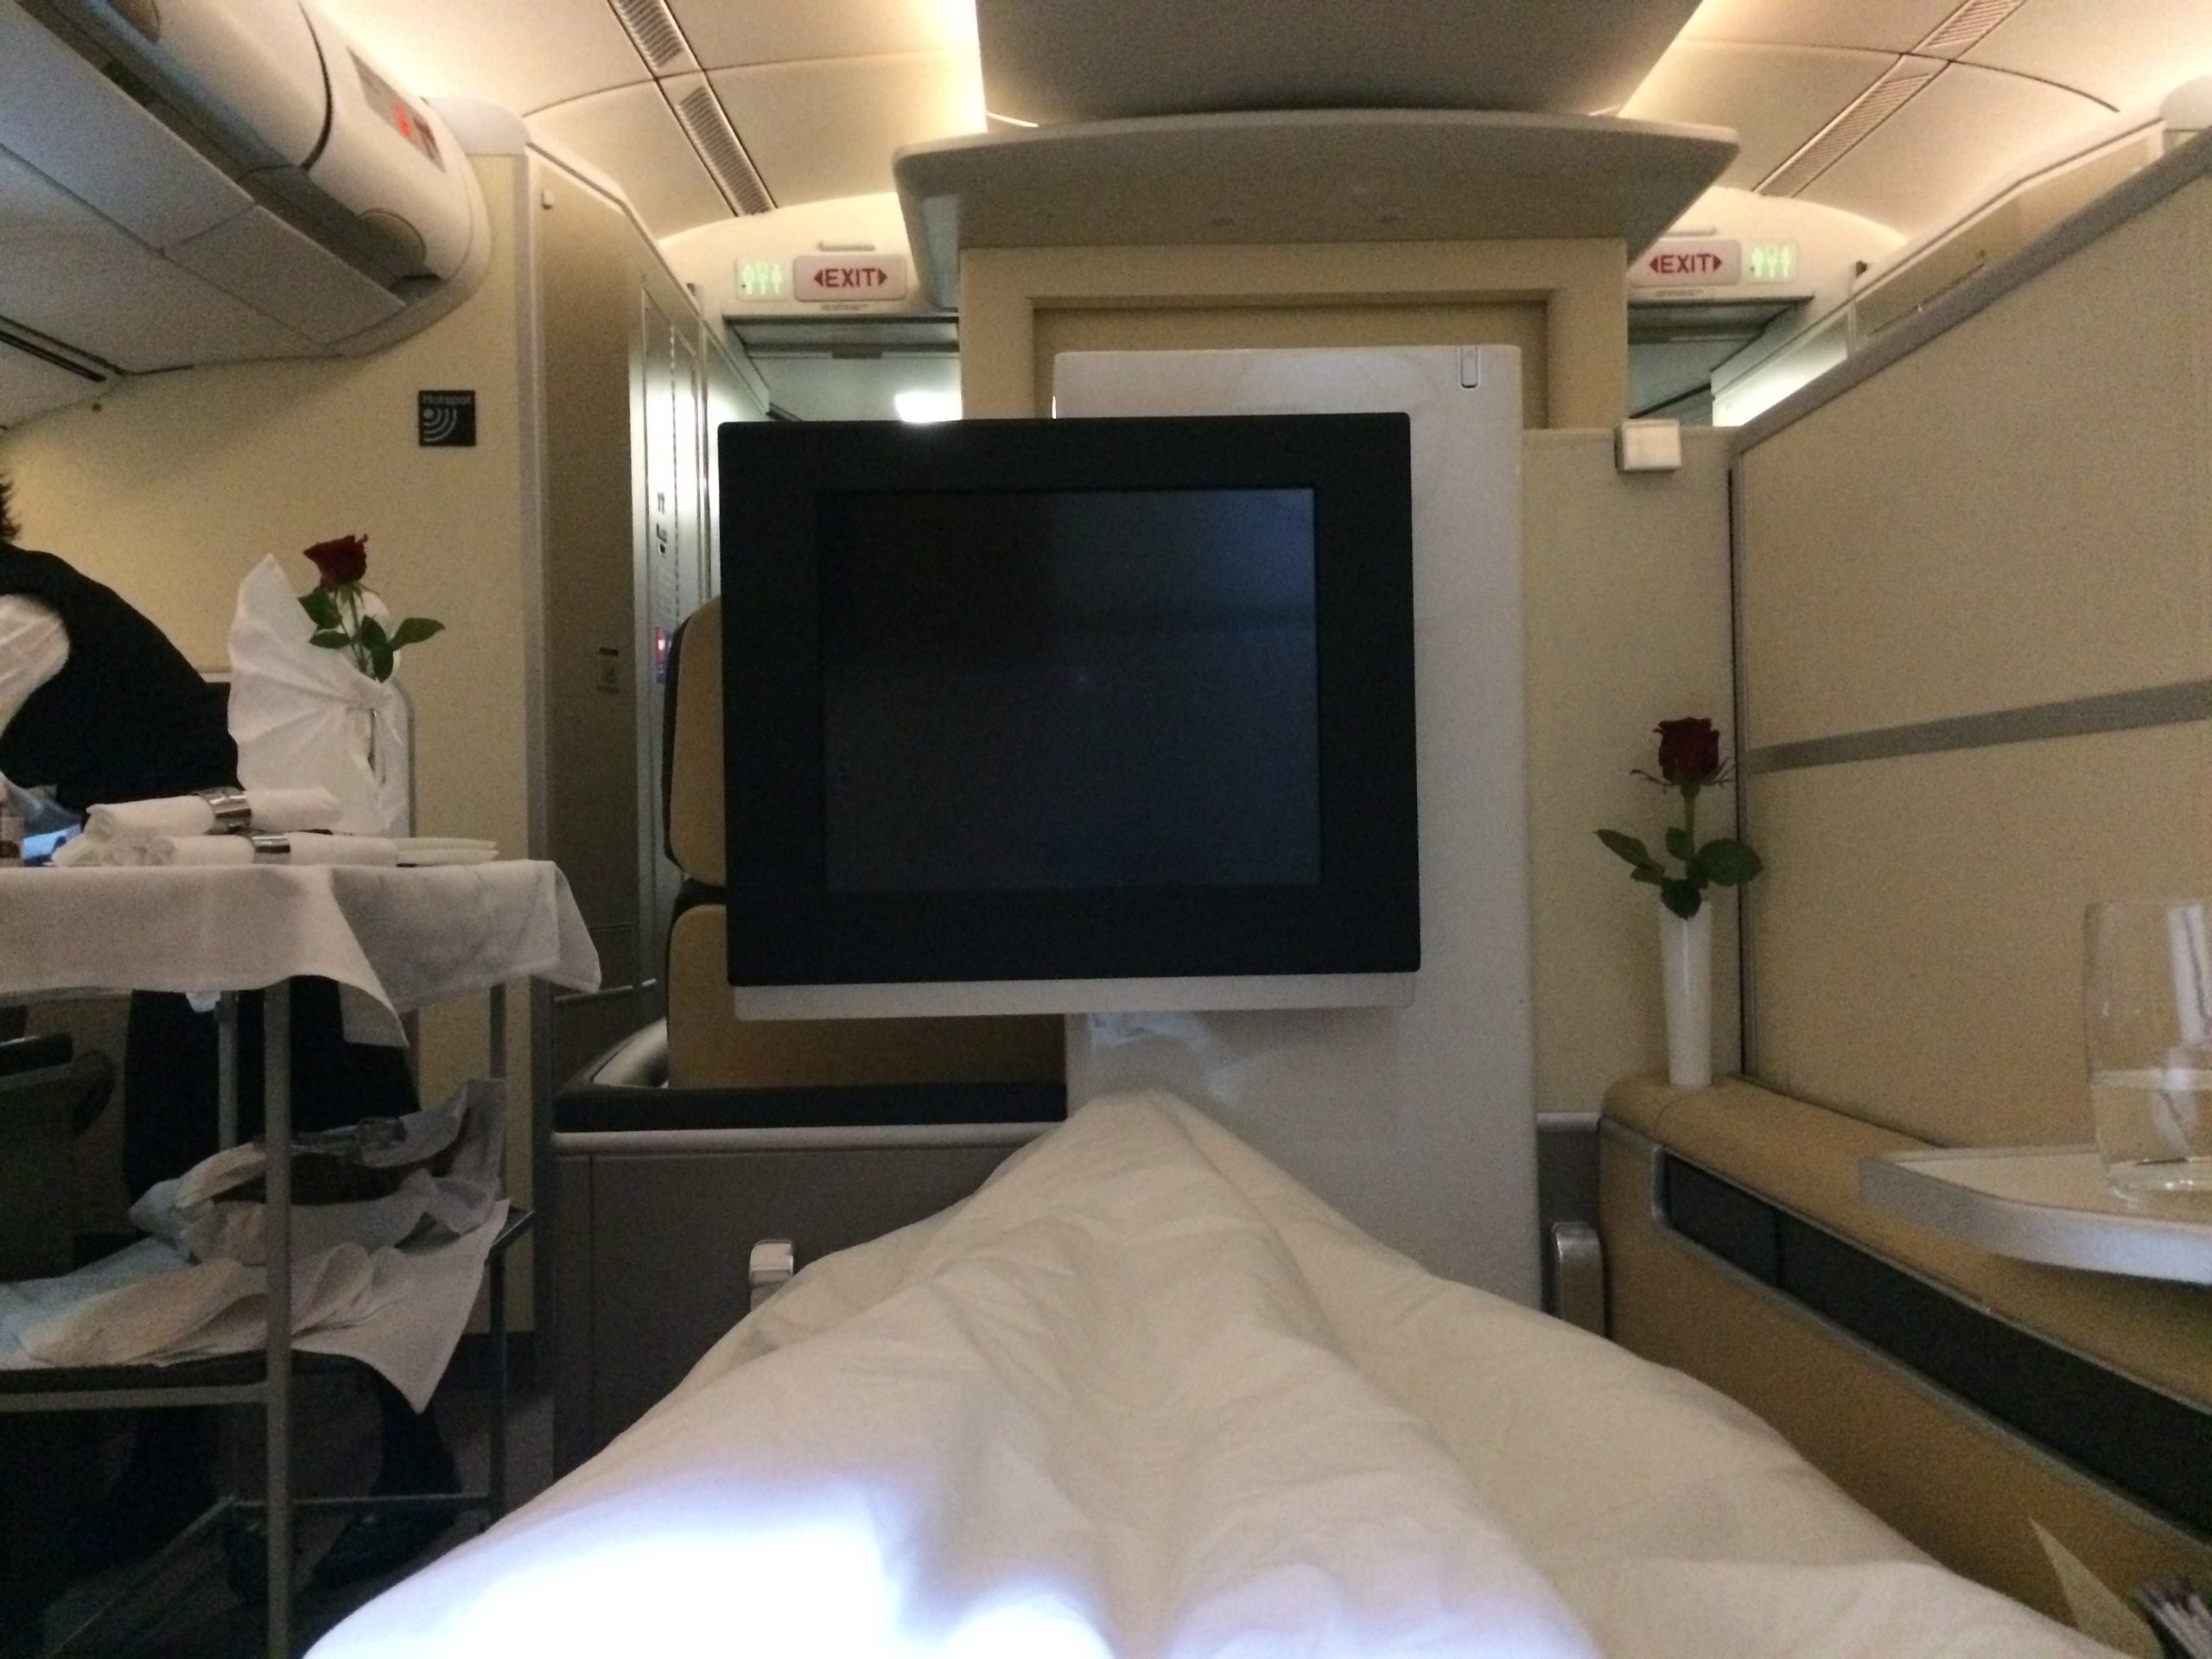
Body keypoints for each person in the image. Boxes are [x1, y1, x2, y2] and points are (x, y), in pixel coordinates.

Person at [0, 475, 458, 1591]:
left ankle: (415, 1474)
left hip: (238, 920)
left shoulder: (17, 614)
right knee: (183, 1188)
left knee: (310, 1198)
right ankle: (173, 1475)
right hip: (197, 921)